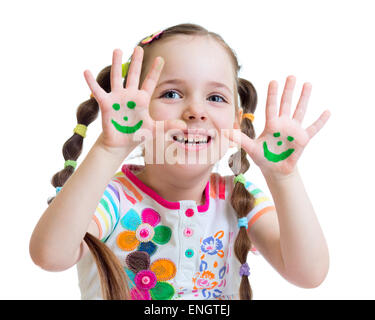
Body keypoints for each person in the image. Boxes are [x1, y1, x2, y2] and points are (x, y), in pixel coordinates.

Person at [29, 23, 330, 300]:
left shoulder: (239, 201)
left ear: (236, 124)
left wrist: (283, 178)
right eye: (171, 93)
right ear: (137, 109)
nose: (196, 111)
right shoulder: (114, 200)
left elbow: (309, 273)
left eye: (215, 98)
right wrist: (109, 150)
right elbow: (50, 255)